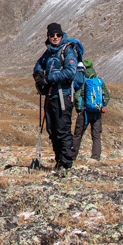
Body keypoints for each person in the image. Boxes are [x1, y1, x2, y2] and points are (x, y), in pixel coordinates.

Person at [33, 22, 79, 170]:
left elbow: (70, 72)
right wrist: (38, 74)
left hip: (63, 96)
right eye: (52, 35)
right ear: (48, 36)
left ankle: (66, 163)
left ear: (61, 35)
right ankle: (59, 160)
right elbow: (38, 65)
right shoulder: (49, 52)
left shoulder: (68, 50)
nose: (55, 37)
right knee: (52, 130)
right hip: (51, 96)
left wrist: (48, 79)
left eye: (57, 35)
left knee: (62, 130)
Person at [73, 58, 109, 161]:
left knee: (78, 135)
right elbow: (107, 96)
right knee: (96, 136)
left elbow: (77, 95)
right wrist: (101, 106)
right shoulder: (98, 81)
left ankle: (72, 156)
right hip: (97, 112)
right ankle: (96, 157)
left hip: (85, 112)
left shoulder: (83, 80)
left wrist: (79, 109)